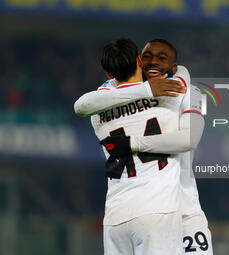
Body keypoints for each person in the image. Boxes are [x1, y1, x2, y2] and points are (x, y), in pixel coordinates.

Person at [75, 38, 213, 254]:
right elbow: (187, 137)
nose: (154, 63)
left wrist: (132, 142)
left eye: (162, 58)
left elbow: (82, 105)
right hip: (159, 210)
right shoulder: (173, 95)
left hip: (171, 211)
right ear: (139, 61)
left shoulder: (102, 102)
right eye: (147, 57)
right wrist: (148, 89)